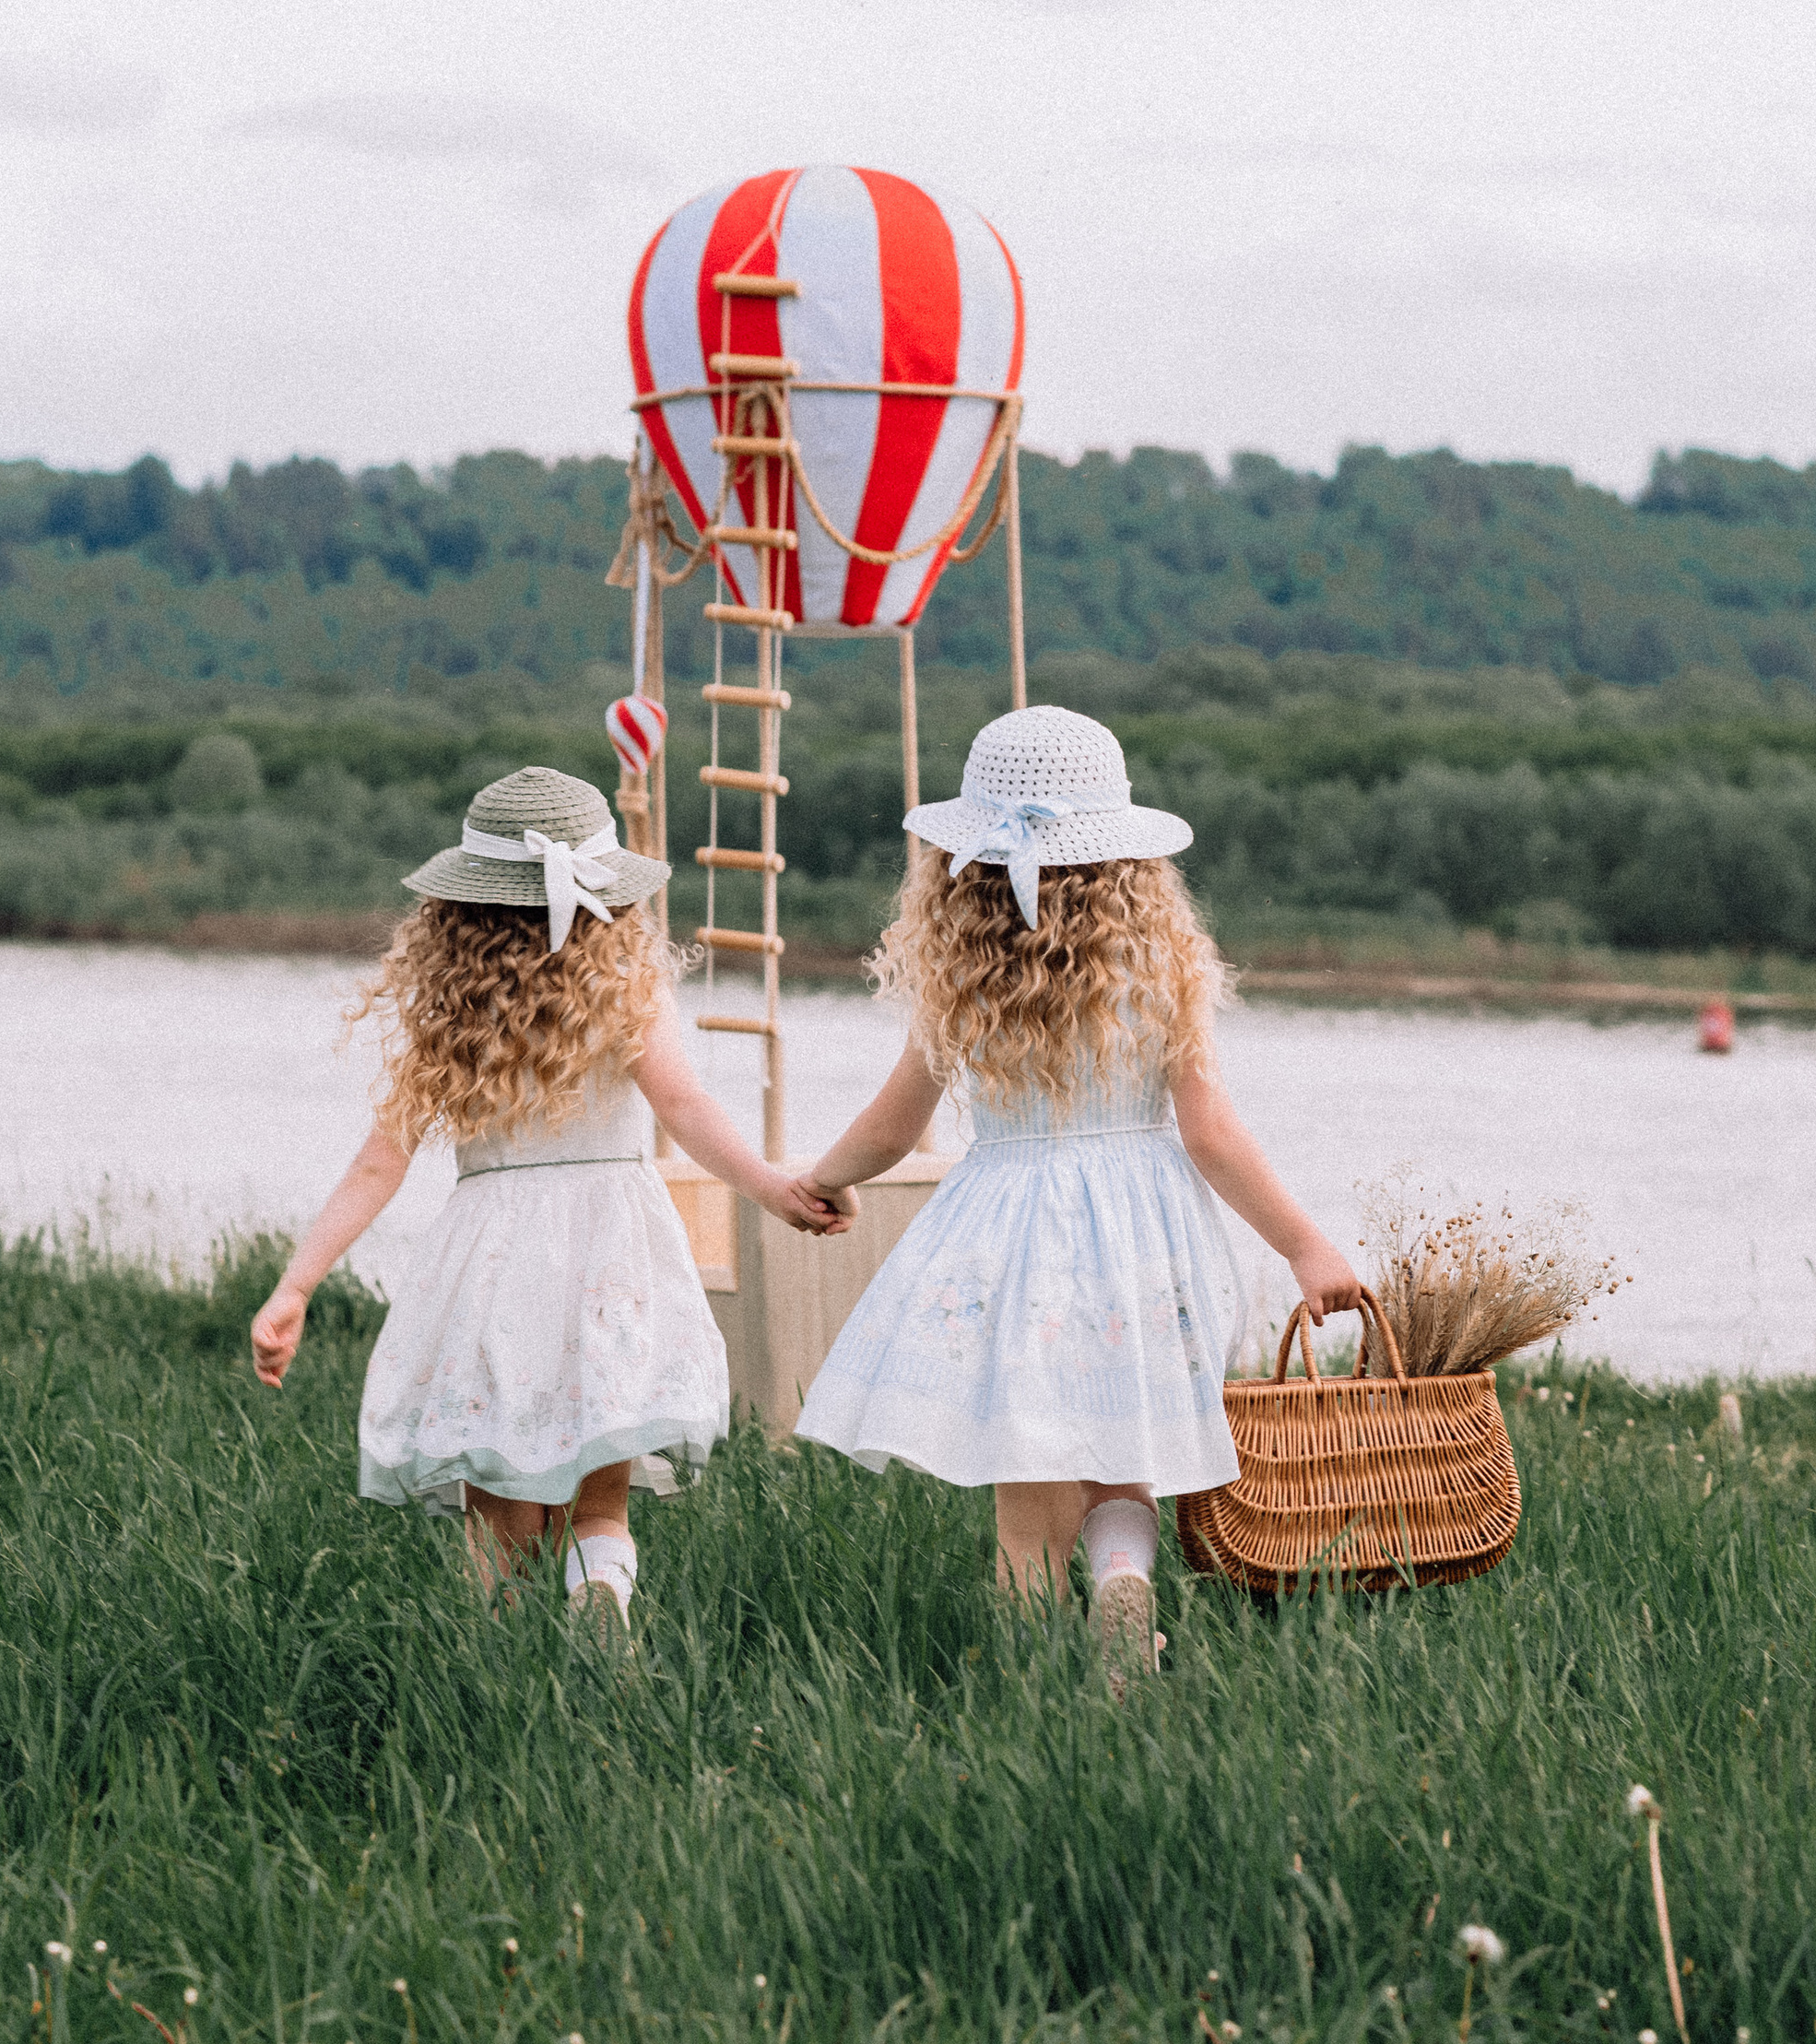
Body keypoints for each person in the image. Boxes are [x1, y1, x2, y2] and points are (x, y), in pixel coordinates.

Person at [793, 707, 1362, 1682]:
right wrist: (1305, 1245)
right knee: (1120, 1455)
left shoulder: (960, 970)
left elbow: (894, 1125)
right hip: (1142, 1234)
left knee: (1027, 1499)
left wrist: (821, 1179)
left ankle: (1025, 1681)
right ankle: (1121, 1592)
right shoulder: (1161, 966)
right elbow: (1211, 1132)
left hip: (1007, 1233)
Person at [249, 765, 838, 1632]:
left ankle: (497, 1665)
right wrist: (773, 1187)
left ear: (460, 908)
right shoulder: (627, 990)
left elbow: (378, 1165)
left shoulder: (450, 1011)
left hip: (494, 1264)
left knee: (501, 1520)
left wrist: (295, 1285)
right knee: (600, 1503)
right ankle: (602, 1587)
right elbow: (687, 1106)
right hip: (613, 1248)